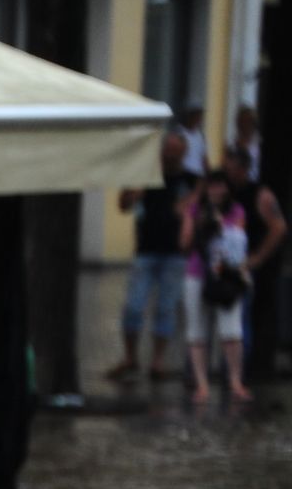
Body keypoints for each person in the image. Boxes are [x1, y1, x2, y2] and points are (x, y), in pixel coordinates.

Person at [108, 133, 196, 382]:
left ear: (183, 153)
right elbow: (123, 205)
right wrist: (133, 192)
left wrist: (189, 211)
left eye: (174, 151)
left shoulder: (190, 181)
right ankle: (130, 357)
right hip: (145, 250)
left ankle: (157, 362)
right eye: (166, 149)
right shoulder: (145, 175)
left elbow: (200, 209)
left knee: (165, 309)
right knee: (134, 306)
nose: (168, 155)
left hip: (174, 254)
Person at [180, 170, 251, 403]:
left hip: (226, 276)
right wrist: (200, 225)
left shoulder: (236, 210)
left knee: (231, 330)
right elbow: (184, 242)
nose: (216, 191)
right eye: (212, 186)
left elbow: (237, 243)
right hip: (197, 273)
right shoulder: (195, 209)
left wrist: (221, 228)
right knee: (196, 330)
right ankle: (202, 384)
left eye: (220, 185)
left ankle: (235, 382)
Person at [222, 147, 286, 380]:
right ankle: (231, 368)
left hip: (247, 265)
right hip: (225, 263)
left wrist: (257, 257)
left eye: (232, 169)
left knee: (242, 317)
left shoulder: (260, 194)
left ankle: (241, 370)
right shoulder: (225, 191)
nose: (228, 174)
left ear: (244, 170)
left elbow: (279, 228)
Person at [232, 105, 262, 182]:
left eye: (246, 121)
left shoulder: (258, 145)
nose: (242, 125)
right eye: (240, 122)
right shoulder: (233, 144)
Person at [179, 103, 208, 177]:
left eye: (199, 116)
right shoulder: (179, 132)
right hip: (184, 173)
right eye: (195, 115)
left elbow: (203, 156)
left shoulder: (200, 135)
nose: (198, 119)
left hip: (198, 174)